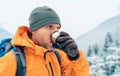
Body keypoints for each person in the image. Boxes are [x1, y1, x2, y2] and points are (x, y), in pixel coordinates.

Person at [0, 6, 89, 76]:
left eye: (57, 28)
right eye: (49, 27)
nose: (55, 32)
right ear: (33, 30)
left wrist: (75, 57)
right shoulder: (14, 59)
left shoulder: (58, 56)